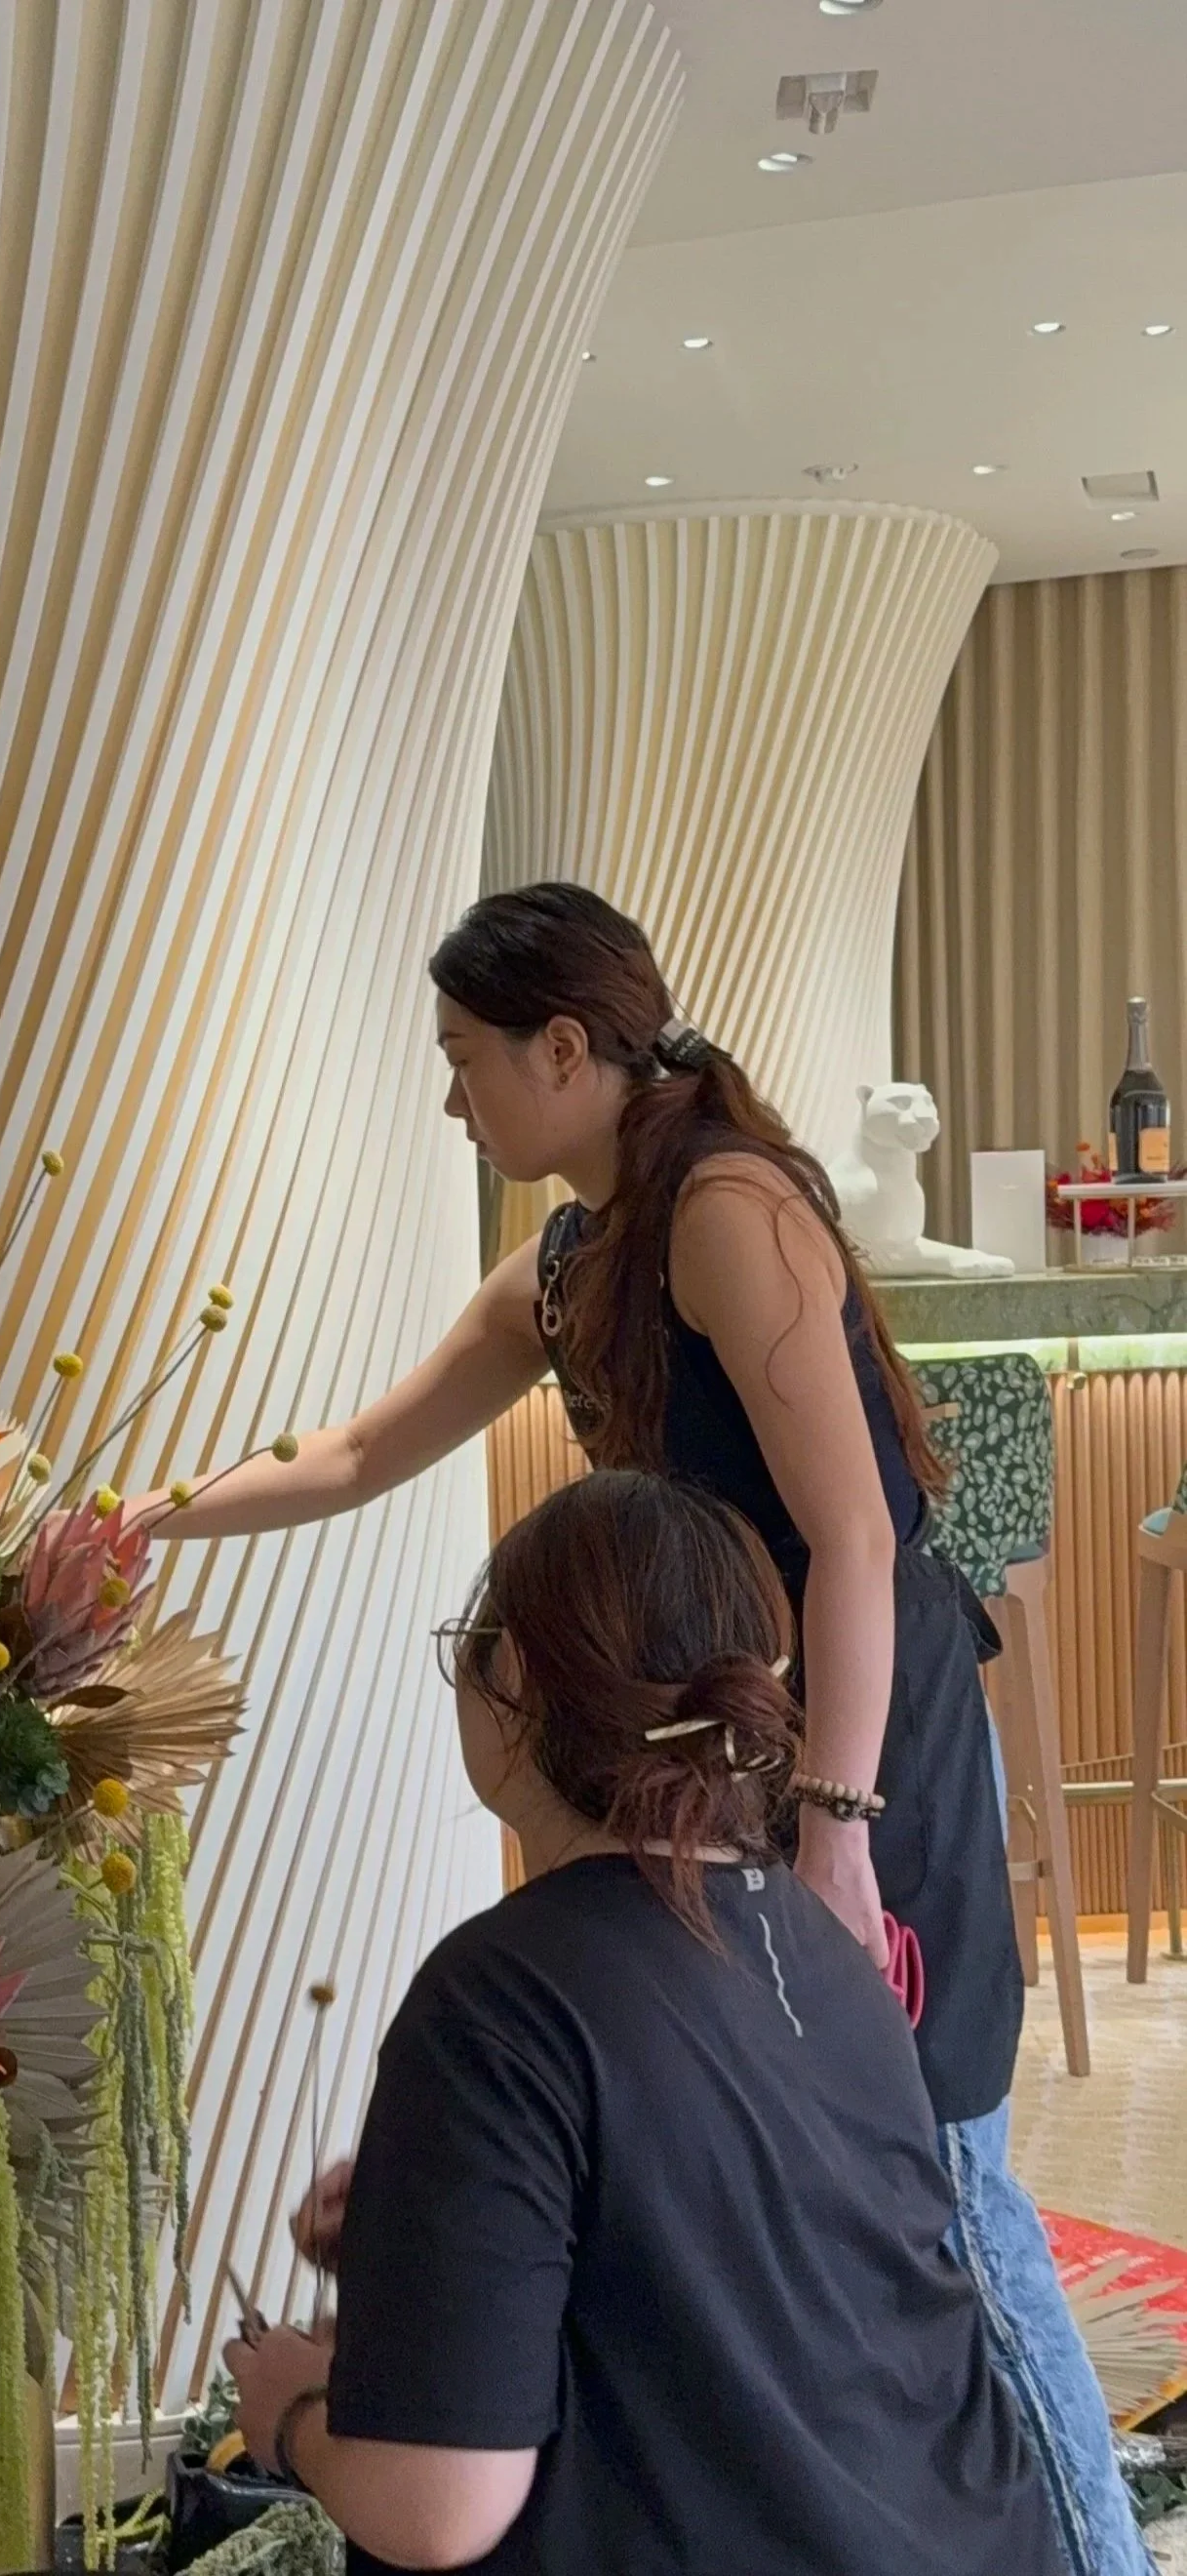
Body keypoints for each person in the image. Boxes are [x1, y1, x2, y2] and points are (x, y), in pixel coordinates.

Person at [157, 884, 1145, 2574]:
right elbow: (349, 1455)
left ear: (566, 1046)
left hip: (855, 1737)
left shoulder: (726, 1209)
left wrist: (837, 1829)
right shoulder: (569, 1257)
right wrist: (137, 1518)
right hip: (733, 1749)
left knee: (959, 2196)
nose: (450, 1095)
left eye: (467, 1057)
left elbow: (854, 1539)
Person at [222, 1472, 1064, 2576]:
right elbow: (745, 2281)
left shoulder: (500, 1994)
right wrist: (441, 2235)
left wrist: (296, 2413)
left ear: (513, 1670)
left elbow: (438, 2509)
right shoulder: (831, 1958)